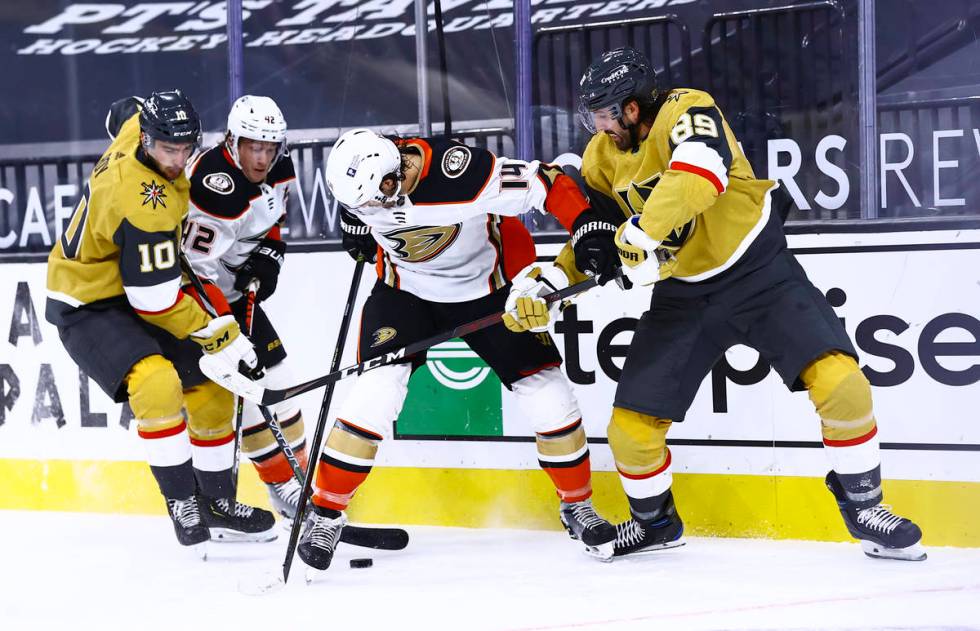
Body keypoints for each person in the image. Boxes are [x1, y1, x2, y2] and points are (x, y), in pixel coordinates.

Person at [503, 46, 925, 561]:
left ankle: (864, 507)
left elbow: (699, 173)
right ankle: (655, 523)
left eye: (605, 114)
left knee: (842, 383)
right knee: (630, 432)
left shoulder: (689, 108)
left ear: (633, 108)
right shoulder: (600, 156)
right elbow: (595, 238)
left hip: (760, 273)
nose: (598, 126)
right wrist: (548, 285)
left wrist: (642, 231)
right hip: (683, 296)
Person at [296, 128, 618, 571]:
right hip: (404, 294)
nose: (368, 210)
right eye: (358, 205)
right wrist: (354, 221)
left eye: (372, 201)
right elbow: (360, 207)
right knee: (373, 396)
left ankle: (577, 505)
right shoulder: (367, 182)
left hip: (487, 290)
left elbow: (546, 183)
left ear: (394, 177)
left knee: (550, 397)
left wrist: (586, 229)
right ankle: (326, 514)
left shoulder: (462, 175)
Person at [46, 90, 276, 552]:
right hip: (87, 300)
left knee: (212, 385)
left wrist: (217, 347)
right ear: (148, 141)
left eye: (184, 149)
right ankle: (182, 500)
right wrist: (222, 334)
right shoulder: (142, 203)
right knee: (155, 382)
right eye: (166, 150)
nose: (175, 160)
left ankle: (215, 501)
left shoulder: (140, 125)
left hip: (133, 286)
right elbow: (156, 303)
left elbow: (123, 108)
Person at [182, 94, 308, 522]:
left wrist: (270, 255)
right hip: (201, 303)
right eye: (255, 146)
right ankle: (280, 485)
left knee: (283, 385)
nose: (263, 157)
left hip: (236, 291)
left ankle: (303, 479)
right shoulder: (212, 187)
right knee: (251, 398)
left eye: (271, 148)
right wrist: (225, 329)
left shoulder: (281, 169)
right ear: (233, 141)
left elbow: (273, 222)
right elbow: (194, 272)